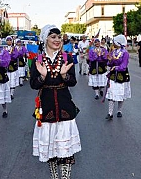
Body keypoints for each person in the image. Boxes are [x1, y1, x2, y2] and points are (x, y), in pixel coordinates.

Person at [30, 25, 81, 179]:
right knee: (51, 149)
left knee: (65, 150)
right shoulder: (38, 59)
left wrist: (65, 75)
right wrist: (42, 77)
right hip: (46, 107)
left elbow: (73, 82)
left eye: (59, 37)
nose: (57, 40)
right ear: (45, 39)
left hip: (64, 104)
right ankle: (54, 177)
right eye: (53, 37)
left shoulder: (67, 58)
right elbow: (34, 84)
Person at [105, 34, 131, 120]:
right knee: (111, 94)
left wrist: (116, 67)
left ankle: (119, 110)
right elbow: (110, 63)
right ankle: (110, 113)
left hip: (122, 76)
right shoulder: (113, 52)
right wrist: (109, 61)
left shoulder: (125, 53)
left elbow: (124, 66)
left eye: (114, 42)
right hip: (113, 76)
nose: (113, 43)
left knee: (121, 94)